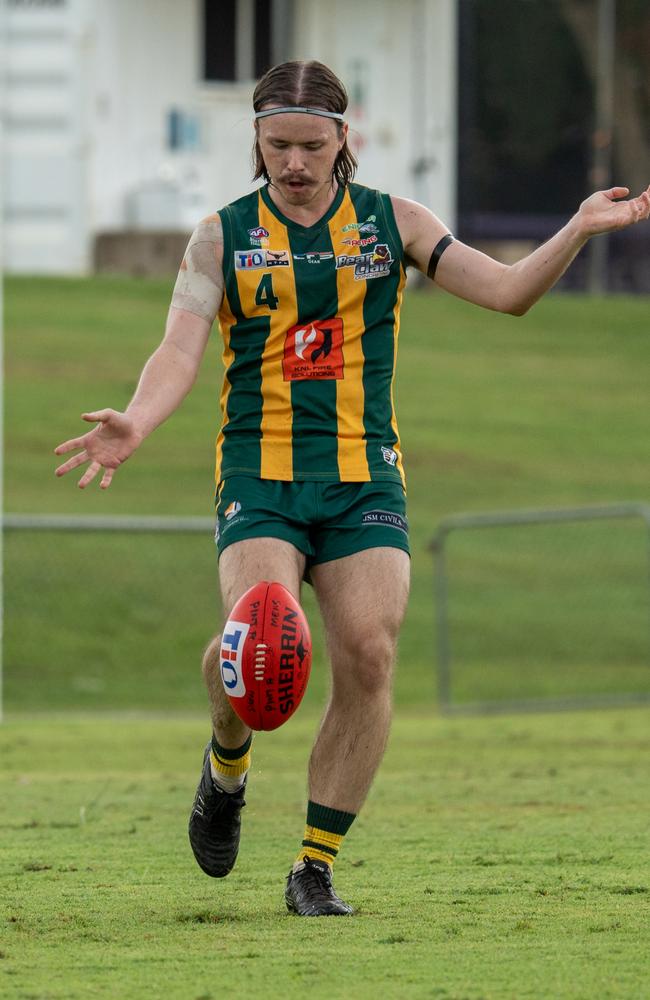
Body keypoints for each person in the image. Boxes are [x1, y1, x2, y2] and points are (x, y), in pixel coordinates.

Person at [54, 60, 650, 917]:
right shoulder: (222, 235)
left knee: (367, 652)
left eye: (311, 144)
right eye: (277, 144)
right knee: (256, 641)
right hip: (260, 476)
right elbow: (180, 349)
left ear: (345, 139)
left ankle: (314, 866)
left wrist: (580, 228)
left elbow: (510, 292)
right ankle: (227, 765)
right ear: (256, 141)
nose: (294, 162)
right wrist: (138, 421)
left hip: (364, 476)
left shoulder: (394, 225)